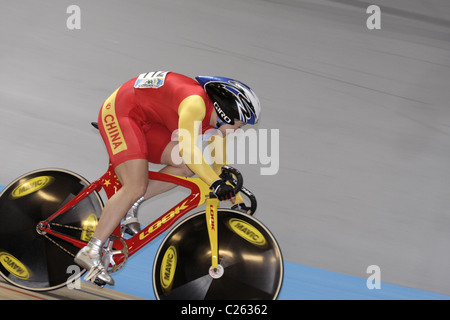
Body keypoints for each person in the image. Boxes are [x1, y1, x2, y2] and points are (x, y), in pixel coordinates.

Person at [74, 71, 261, 285]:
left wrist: (236, 200)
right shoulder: (195, 103)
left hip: (148, 120)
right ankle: (91, 250)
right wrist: (215, 183)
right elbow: (191, 152)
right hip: (121, 111)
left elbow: (218, 164)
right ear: (225, 113)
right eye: (238, 125)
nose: (238, 132)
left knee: (183, 167)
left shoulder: (216, 124)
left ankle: (129, 204)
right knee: (136, 184)